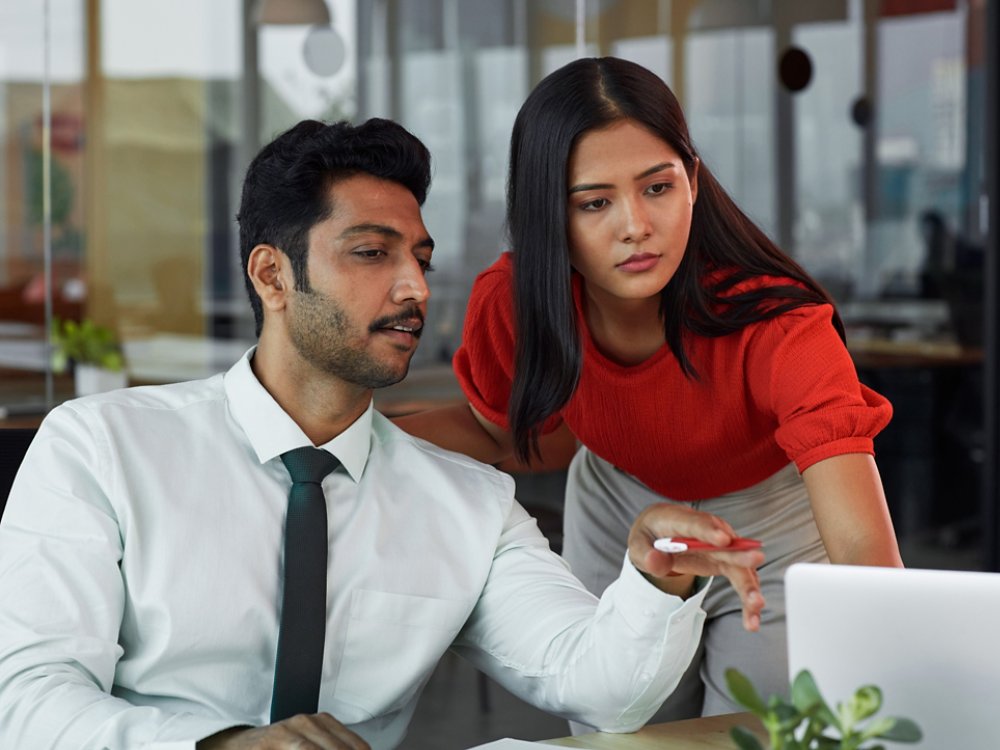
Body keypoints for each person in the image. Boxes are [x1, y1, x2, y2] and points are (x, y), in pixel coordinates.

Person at [0, 118, 766, 750]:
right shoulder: (99, 450)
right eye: (372, 253)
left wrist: (654, 582)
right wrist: (222, 745)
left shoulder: (466, 502)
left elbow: (597, 686)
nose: (415, 288)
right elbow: (26, 703)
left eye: (420, 259)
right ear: (271, 276)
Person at [394, 56, 904, 727]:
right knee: (621, 730)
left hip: (772, 527)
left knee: (771, 731)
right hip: (617, 504)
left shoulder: (778, 325)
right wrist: (345, 432)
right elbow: (508, 436)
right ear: (549, 213)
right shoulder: (517, 302)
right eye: (595, 202)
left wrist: (899, 670)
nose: (635, 225)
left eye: (657, 188)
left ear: (692, 180)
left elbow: (867, 555)